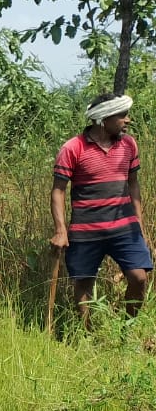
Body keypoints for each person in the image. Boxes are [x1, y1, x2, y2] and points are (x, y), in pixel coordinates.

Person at [51, 92, 151, 324]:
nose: (128, 120)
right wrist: (60, 230)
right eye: (122, 115)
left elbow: (133, 184)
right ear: (103, 119)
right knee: (84, 283)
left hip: (125, 228)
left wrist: (139, 224)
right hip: (86, 231)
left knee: (138, 278)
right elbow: (58, 190)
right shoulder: (73, 148)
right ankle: (86, 334)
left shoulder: (129, 144)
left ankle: (126, 331)